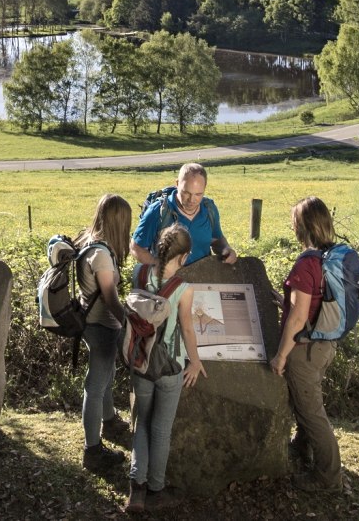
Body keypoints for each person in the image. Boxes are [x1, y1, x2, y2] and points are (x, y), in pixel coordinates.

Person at [269, 196, 358, 492]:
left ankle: (328, 478)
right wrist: (283, 300)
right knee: (307, 403)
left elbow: (297, 318)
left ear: (300, 226)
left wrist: (281, 355)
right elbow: (312, 304)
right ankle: (301, 447)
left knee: (311, 413)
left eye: (294, 222)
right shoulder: (329, 256)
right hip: (325, 344)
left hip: (304, 349)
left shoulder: (306, 263)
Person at [124, 223, 207, 513]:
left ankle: (136, 490)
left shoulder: (139, 273)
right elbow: (186, 328)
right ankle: (156, 491)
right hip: (170, 366)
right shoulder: (183, 288)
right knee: (161, 430)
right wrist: (195, 362)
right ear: (183, 256)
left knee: (141, 424)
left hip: (141, 361)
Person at [75, 193, 133, 471]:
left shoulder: (88, 241)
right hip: (100, 326)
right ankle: (93, 450)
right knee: (95, 387)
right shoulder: (101, 255)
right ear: (119, 222)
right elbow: (110, 299)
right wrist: (132, 326)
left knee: (106, 375)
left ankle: (109, 420)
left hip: (91, 323)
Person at [130, 163, 238, 271]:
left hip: (203, 279)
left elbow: (216, 240)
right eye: (186, 193)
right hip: (168, 283)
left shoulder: (209, 209)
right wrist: (160, 266)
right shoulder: (158, 211)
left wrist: (226, 249)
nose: (191, 200)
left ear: (205, 188)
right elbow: (136, 248)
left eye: (198, 194)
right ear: (177, 184)